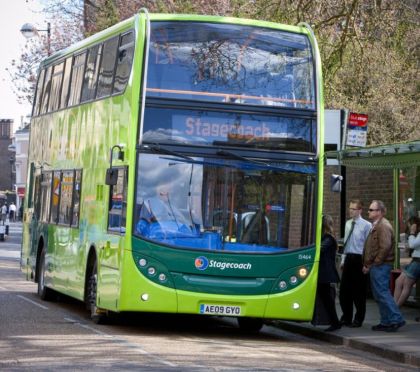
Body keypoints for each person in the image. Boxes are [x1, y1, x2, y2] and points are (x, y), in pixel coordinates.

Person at [362, 200, 405, 332]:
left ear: (379, 212)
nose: (368, 212)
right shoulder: (376, 225)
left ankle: (396, 319)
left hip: (381, 265)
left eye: (371, 210)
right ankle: (386, 321)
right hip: (377, 265)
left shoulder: (383, 226)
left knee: (382, 293)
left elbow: (385, 247)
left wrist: (375, 263)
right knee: (379, 294)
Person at [339, 199, 372, 327]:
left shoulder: (366, 225)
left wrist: (367, 264)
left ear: (359, 210)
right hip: (348, 258)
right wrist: (343, 259)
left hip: (359, 259)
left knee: (358, 291)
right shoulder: (348, 224)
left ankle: (358, 319)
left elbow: (368, 246)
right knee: (344, 291)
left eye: (353, 209)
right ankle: (346, 317)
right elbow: (346, 243)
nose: (350, 211)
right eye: (350, 208)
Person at [317, 214, 341, 332]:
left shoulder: (328, 239)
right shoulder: (327, 238)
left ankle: (335, 322)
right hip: (323, 274)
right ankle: (333, 321)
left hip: (325, 274)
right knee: (326, 299)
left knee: (327, 300)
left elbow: (319, 249)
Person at [393, 216, 420, 307]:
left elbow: (413, 244)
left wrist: (412, 233)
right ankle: (394, 306)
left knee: (407, 285)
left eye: (410, 225)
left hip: (418, 262)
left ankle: (396, 308)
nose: (409, 227)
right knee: (398, 281)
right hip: (414, 260)